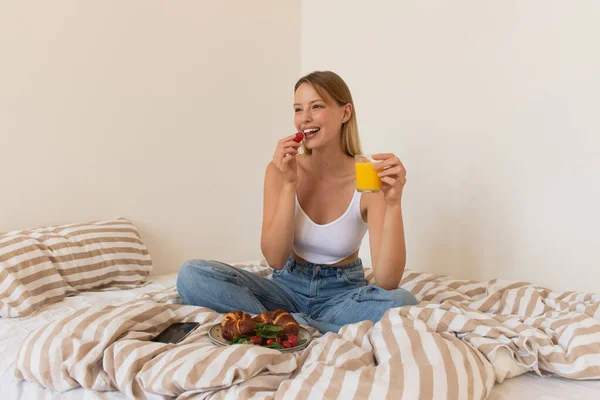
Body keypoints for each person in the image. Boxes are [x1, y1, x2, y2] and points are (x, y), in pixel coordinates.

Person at [176, 71, 417, 333]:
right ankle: (313, 327)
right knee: (192, 275)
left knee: (402, 301)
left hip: (341, 295)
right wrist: (289, 183)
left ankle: (291, 325)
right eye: (298, 109)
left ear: (345, 113)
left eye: (317, 106)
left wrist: (393, 204)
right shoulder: (280, 169)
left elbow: (387, 280)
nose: (305, 119)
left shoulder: (368, 175)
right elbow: (275, 259)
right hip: (284, 288)